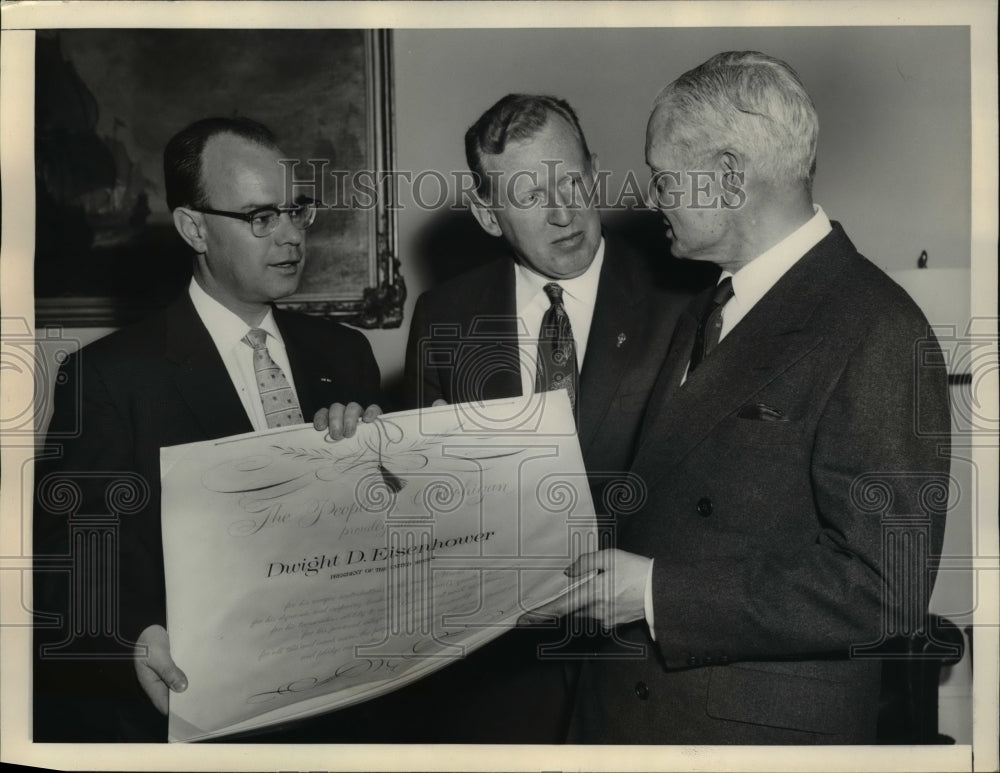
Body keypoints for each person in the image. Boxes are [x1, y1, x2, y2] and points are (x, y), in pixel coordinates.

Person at [525, 51, 952, 744]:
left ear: (727, 179)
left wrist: (654, 592)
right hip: (640, 716)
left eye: (663, 178)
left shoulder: (877, 326)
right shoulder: (707, 306)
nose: (651, 197)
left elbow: (887, 588)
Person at [33, 116, 382, 741]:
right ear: (194, 227)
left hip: (344, 702)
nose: (290, 236)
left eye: (294, 211)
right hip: (198, 712)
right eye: (259, 217)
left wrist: (387, 464)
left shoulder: (347, 354)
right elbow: (68, 570)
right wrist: (134, 638)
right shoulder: (109, 378)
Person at [393, 94, 709, 743]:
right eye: (531, 193)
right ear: (487, 213)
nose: (563, 211)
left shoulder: (684, 295)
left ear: (594, 168)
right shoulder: (445, 316)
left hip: (644, 669)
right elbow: (421, 505)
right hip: (497, 681)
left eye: (572, 180)